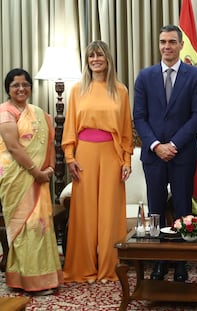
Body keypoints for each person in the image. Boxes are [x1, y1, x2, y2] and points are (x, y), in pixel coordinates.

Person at [133, 25, 197, 282]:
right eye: (163, 41)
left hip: (182, 154)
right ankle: (160, 260)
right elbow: (139, 117)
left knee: (183, 207)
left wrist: (173, 144)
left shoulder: (196, 76)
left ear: (180, 44)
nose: (167, 46)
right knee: (156, 208)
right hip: (153, 156)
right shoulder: (145, 76)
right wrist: (155, 145)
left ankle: (181, 262)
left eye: (172, 42)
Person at [62, 41, 133, 283]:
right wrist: (70, 157)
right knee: (85, 213)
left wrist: (127, 160)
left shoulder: (120, 90)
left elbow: (125, 130)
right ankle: (84, 268)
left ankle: (108, 269)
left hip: (112, 154)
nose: (95, 59)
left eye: (100, 55)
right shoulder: (76, 90)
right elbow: (70, 124)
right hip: (84, 155)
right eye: (91, 55)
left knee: (109, 213)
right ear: (87, 60)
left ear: (107, 59)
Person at [0, 68, 62, 294]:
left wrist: (51, 168)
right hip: (16, 179)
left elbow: (49, 144)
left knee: (41, 226)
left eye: (25, 84)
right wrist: (36, 171)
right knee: (24, 227)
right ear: (8, 88)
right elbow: (14, 147)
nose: (21, 89)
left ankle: (43, 279)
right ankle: (25, 280)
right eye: (15, 85)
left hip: (39, 178)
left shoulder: (39, 113)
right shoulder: (4, 112)